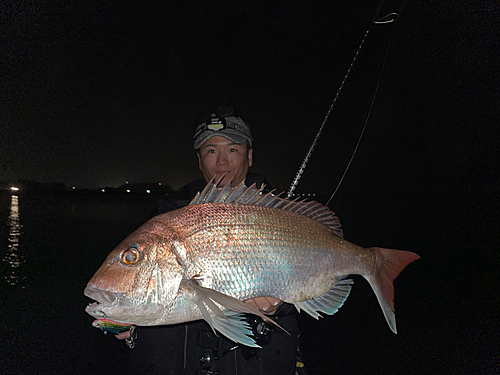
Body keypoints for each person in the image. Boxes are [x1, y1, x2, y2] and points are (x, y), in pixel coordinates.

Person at [119, 107, 304, 375]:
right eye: (210, 151)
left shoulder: (281, 213)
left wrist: (281, 302)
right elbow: (130, 295)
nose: (221, 162)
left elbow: (314, 280)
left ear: (249, 156)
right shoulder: (168, 216)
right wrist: (118, 322)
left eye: (232, 150)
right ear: (199, 160)